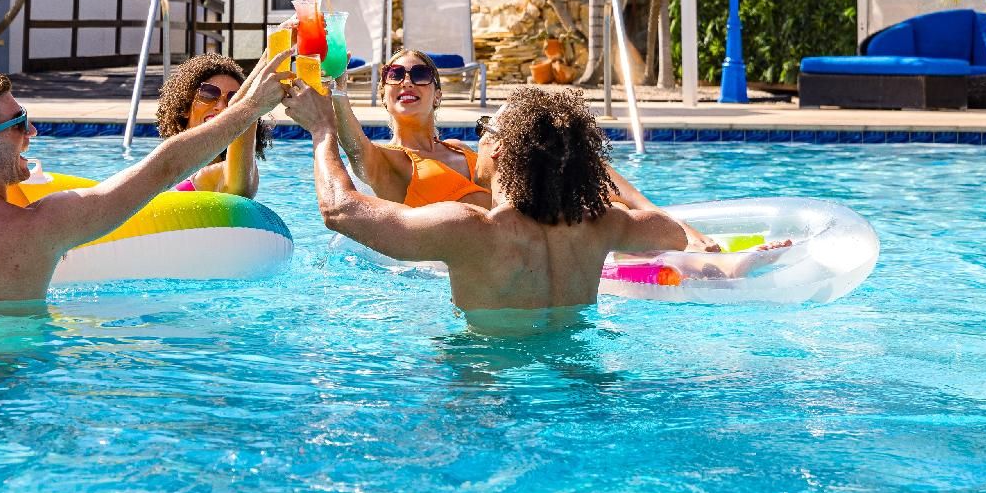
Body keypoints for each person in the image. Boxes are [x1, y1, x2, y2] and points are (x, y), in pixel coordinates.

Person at [0, 61, 283, 307]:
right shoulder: (43, 225)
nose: (32, 133)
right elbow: (160, 171)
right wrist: (251, 107)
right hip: (11, 398)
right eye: (20, 123)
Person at [285, 81, 701, 326]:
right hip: (583, 383)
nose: (479, 137)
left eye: (486, 128)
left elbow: (340, 210)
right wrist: (703, 242)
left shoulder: (469, 230)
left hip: (491, 390)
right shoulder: (603, 224)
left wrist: (322, 130)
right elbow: (673, 231)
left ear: (500, 148)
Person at [329, 48, 493, 209]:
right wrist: (338, 92)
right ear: (384, 98)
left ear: (437, 97)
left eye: (420, 74)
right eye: (395, 74)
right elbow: (354, 147)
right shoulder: (384, 160)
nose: (407, 82)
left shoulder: (459, 147)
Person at [153, 53, 268, 197]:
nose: (221, 107)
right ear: (185, 106)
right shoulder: (157, 166)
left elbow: (239, 188)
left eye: (233, 99)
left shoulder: (223, 174)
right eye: (208, 94)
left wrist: (250, 106)